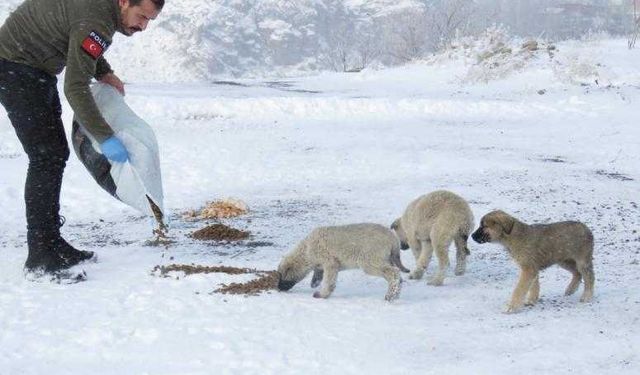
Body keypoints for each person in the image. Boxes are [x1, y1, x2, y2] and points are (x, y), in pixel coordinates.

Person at [0, 0, 163, 279]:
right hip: (16, 68)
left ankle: (51, 241)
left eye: (150, 20)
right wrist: (106, 139)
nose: (143, 26)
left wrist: (104, 71)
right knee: (46, 157)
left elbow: (81, 45)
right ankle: (41, 255)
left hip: (29, 68)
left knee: (53, 155)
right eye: (141, 17)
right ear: (124, 2)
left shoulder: (102, 12)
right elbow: (75, 87)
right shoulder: (97, 19)